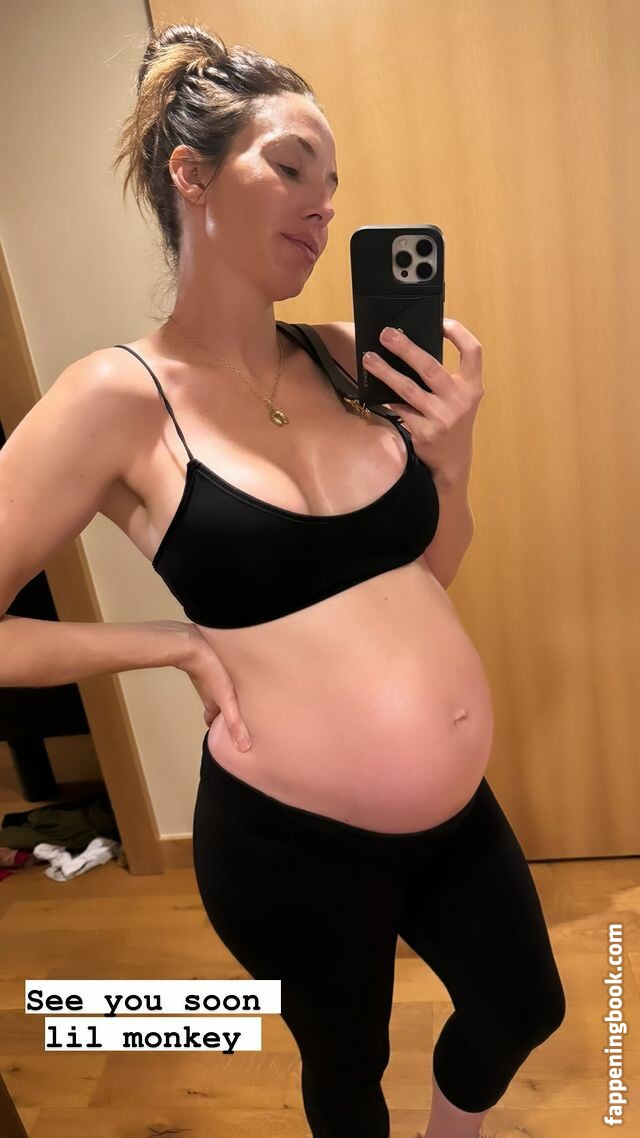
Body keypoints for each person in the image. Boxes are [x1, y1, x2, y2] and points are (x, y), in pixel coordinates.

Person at [0, 20, 566, 1138]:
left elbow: (428, 574)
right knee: (347, 1067)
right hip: (288, 841)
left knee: (523, 1006)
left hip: (454, 813)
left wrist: (454, 464)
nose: (323, 207)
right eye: (292, 168)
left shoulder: (347, 358)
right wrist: (172, 644)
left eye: (334, 185)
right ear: (192, 175)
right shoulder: (117, 398)